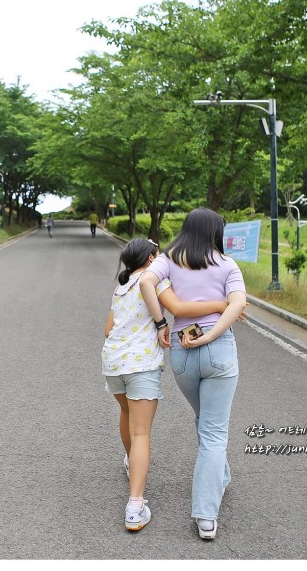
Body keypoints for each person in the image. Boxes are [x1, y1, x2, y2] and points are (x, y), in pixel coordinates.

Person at [102, 237, 230, 532]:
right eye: (157, 254)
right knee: (141, 431)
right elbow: (180, 308)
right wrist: (225, 304)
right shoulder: (154, 281)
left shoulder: (120, 288)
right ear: (149, 259)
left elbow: (108, 329)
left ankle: (130, 461)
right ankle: (135, 506)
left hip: (113, 363)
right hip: (141, 364)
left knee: (127, 415)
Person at [139, 208, 248, 541]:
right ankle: (205, 516)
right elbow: (238, 303)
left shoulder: (169, 258)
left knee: (204, 420)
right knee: (214, 432)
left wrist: (161, 323)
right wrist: (212, 335)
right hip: (218, 350)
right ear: (216, 232)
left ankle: (221, 476)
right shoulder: (227, 265)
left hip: (183, 353)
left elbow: (145, 281)